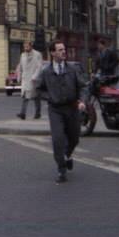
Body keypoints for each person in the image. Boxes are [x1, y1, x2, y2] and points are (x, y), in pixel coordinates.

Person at [34, 41, 90, 184]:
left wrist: (82, 101)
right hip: (55, 110)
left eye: (64, 49)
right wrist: (50, 97)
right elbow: (39, 89)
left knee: (74, 138)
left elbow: (83, 87)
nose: (63, 52)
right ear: (52, 53)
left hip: (72, 108)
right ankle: (61, 168)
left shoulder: (72, 69)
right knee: (58, 139)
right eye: (60, 50)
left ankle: (67, 155)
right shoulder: (46, 72)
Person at [15, 41, 43, 120]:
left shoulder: (37, 54)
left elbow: (39, 67)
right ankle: (23, 113)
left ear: (31, 46)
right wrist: (19, 77)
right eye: (24, 47)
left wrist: (35, 76)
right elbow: (20, 66)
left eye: (27, 47)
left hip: (34, 79)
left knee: (36, 97)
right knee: (25, 96)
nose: (25, 48)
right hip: (25, 79)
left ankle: (38, 113)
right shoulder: (22, 55)